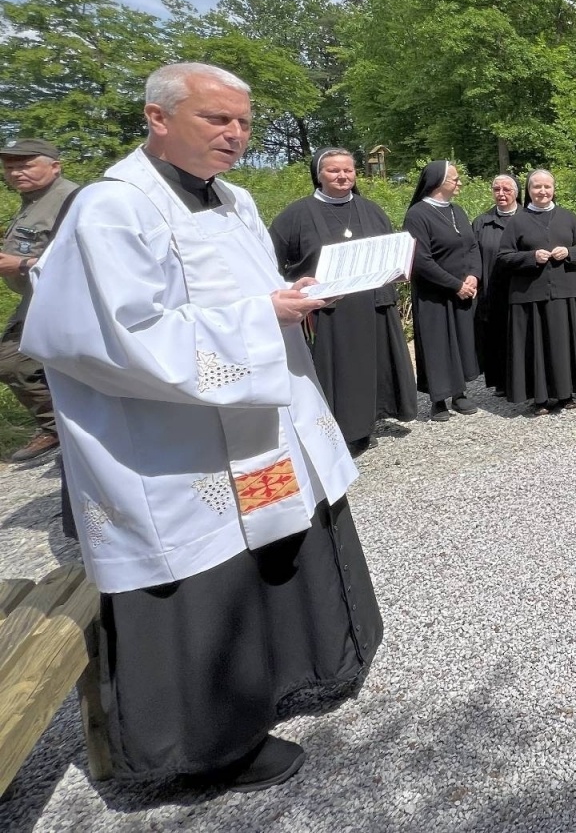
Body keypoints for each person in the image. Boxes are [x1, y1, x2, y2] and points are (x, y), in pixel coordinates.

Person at [22, 62, 381, 790]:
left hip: (254, 420)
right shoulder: (111, 208)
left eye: (244, 121)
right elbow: (108, 336)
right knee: (204, 576)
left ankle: (290, 679)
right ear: (158, 117)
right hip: (172, 443)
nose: (237, 134)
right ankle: (206, 751)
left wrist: (292, 298)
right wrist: (262, 317)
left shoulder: (236, 200)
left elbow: (246, 291)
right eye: (218, 119)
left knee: (282, 540)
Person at [269, 148, 417, 455]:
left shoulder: (371, 209)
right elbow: (270, 261)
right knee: (341, 374)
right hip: (329, 313)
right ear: (319, 175)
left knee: (372, 367)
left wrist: (400, 268)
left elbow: (391, 250)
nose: (342, 176)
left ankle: (368, 422)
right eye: (334, 171)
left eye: (348, 170)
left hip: (372, 305)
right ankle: (339, 429)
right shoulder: (295, 215)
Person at [1, 138, 77, 464]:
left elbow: (81, 257)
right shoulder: (33, 200)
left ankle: (65, 431)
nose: (17, 171)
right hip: (37, 295)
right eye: (10, 166)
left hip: (64, 298)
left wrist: (18, 265)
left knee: (14, 361)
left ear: (55, 166)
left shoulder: (71, 199)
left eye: (26, 163)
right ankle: (62, 429)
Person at [500, 169, 576, 414]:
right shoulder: (518, 221)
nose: (542, 192)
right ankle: (540, 398)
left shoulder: (567, 216)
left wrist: (569, 253)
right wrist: (530, 257)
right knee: (538, 346)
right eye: (536, 187)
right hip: (531, 294)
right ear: (528, 190)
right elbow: (504, 257)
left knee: (564, 344)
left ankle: (567, 394)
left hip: (566, 292)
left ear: (554, 189)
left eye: (547, 187)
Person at [403, 161, 481, 421]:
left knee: (460, 341)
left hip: (463, 288)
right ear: (438, 181)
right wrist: (455, 284)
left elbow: (471, 246)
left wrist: (473, 276)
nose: (459, 183)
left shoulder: (457, 210)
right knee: (437, 344)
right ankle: (438, 399)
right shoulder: (418, 214)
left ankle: (459, 393)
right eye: (455, 179)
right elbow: (421, 259)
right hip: (434, 293)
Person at [471, 175, 521, 394]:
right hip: (492, 289)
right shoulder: (482, 222)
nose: (501, 194)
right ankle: (501, 381)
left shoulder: (527, 218)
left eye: (507, 189)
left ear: (517, 192)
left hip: (521, 288)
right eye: (496, 189)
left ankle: (524, 379)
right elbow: (472, 255)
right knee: (496, 335)